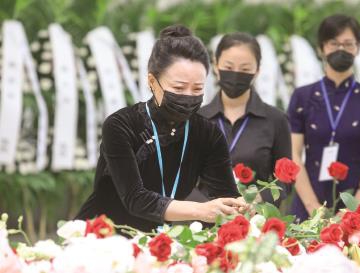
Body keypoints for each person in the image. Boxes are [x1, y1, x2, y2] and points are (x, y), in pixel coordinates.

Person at [76, 25, 246, 232]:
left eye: (197, 89)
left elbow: (226, 195)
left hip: (162, 242)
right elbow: (135, 198)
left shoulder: (208, 134)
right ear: (152, 81)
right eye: (178, 88)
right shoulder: (121, 125)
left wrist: (241, 209)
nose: (188, 96)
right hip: (103, 236)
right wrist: (201, 210)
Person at [288, 14, 360, 221]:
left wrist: (357, 205)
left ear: (358, 47)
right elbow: (293, 153)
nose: (341, 49)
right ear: (321, 48)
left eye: (348, 44)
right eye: (334, 43)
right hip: (311, 199)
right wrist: (312, 205)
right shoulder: (302, 97)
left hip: (359, 199)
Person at [197, 32, 292, 205]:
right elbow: (180, 179)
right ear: (216, 66)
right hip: (204, 224)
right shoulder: (196, 119)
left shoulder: (276, 120)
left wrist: (257, 199)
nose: (236, 74)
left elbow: (286, 180)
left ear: (257, 71)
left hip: (256, 222)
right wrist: (205, 208)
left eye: (245, 69)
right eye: (229, 66)